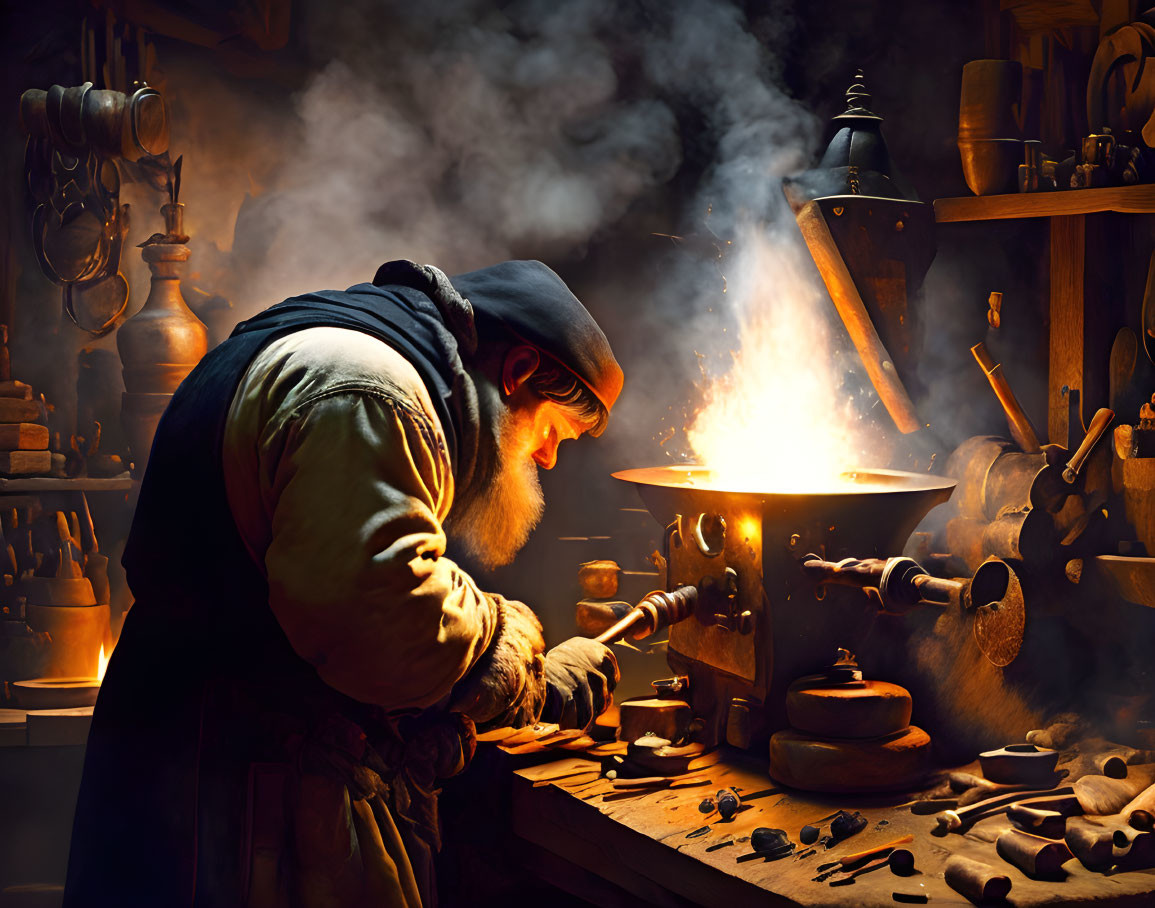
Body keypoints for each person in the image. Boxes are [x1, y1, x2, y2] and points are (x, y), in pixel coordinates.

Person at [63, 260, 623, 908]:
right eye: (553, 430)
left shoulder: (361, 357)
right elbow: (376, 618)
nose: (548, 457)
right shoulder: (369, 391)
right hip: (220, 785)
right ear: (519, 372)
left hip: (204, 748)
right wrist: (523, 669)